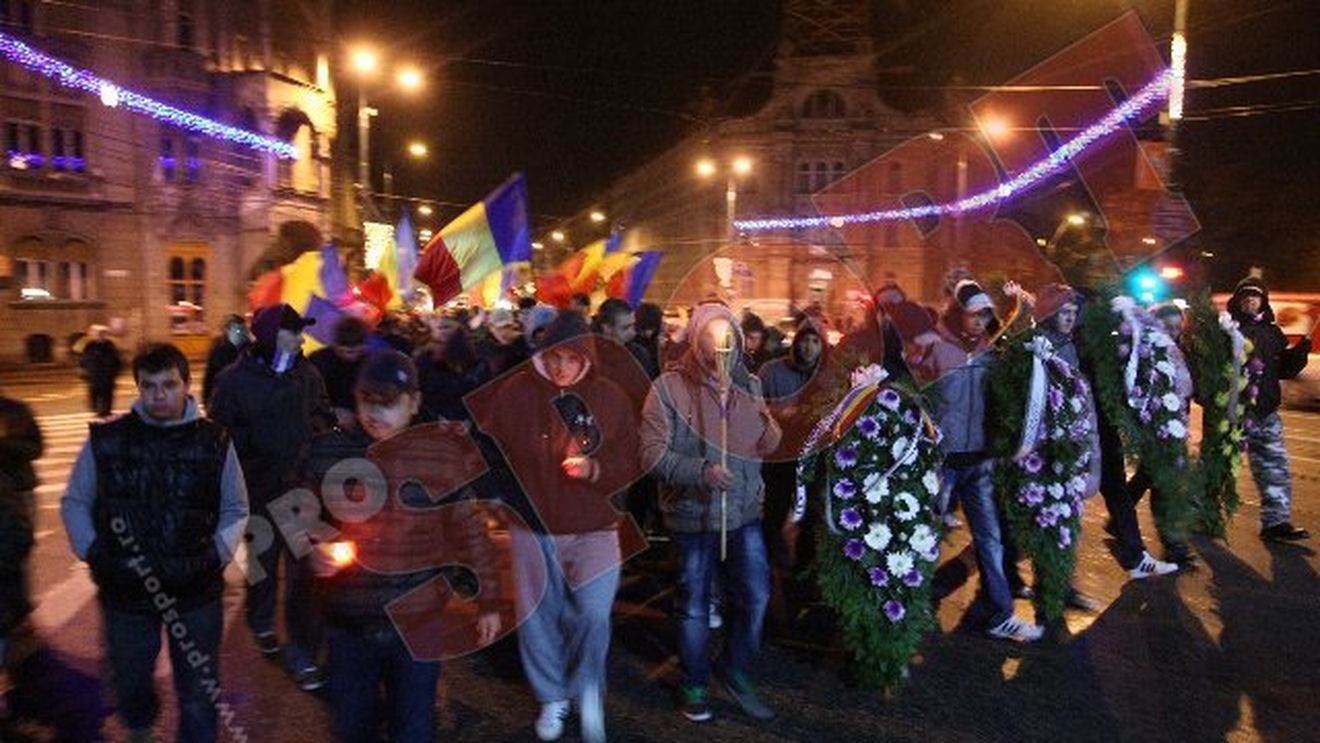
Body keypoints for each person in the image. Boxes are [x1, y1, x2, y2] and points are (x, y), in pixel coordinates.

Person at [306, 351, 502, 743]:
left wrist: (490, 600)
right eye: (366, 400)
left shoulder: (440, 458)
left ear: (413, 403)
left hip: (417, 624)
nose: (375, 413)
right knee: (351, 727)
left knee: (413, 727)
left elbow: (469, 532)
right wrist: (312, 548)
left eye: (389, 402)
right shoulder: (329, 452)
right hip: (349, 622)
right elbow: (296, 512)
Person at [60, 344, 249, 742]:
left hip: (195, 590)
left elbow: (235, 506)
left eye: (169, 385)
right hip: (126, 589)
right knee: (129, 681)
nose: (159, 395)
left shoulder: (214, 441)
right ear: (138, 388)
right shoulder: (108, 440)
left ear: (186, 385)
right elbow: (76, 500)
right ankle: (141, 727)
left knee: (198, 693)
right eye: (149, 386)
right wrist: (93, 552)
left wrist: (215, 555)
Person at [470, 311, 639, 743]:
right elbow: (490, 452)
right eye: (554, 357)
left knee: (593, 615)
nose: (562, 367)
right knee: (538, 617)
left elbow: (628, 458)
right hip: (533, 526)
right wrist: (500, 498)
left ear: (587, 357)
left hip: (594, 525)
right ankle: (552, 695)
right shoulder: (515, 392)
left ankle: (587, 687)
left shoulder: (609, 397)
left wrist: (596, 469)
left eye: (572, 358)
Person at [640, 301, 781, 723]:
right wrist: (700, 472)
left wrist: (762, 419)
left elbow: (768, 443)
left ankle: (735, 667)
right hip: (693, 515)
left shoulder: (749, 384)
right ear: (696, 340)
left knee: (756, 595)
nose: (723, 347)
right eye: (712, 336)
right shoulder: (668, 388)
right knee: (695, 605)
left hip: (742, 512)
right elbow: (651, 455)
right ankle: (695, 680)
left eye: (729, 337)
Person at [209, 303, 333, 690]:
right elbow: (220, 433)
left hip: (301, 493)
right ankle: (261, 622)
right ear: (269, 335)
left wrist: (314, 441)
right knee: (262, 564)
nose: (300, 337)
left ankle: (301, 653)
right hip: (257, 488)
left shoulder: (308, 375)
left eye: (300, 331)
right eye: (292, 331)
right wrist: (253, 450)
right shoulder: (234, 380)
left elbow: (323, 416)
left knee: (302, 575)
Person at [919, 280, 1045, 642]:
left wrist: (1022, 308)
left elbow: (1019, 357)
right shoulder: (936, 348)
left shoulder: (991, 350)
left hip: (981, 462)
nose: (980, 321)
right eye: (974, 314)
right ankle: (914, 603)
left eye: (985, 315)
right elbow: (917, 397)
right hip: (944, 462)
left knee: (991, 540)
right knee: (928, 538)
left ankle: (1000, 613)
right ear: (959, 313)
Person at [757, 314, 833, 626]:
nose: (808, 347)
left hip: (814, 460)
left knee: (813, 515)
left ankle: (804, 572)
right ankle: (766, 567)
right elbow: (755, 408)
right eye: (804, 340)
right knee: (774, 512)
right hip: (779, 458)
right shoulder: (772, 371)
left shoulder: (829, 376)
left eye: (815, 341)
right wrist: (780, 413)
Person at [1228, 276, 1312, 541]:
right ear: (1237, 300)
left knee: (1275, 470)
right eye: (1245, 296)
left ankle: (1276, 523)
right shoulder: (1226, 330)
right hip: (1233, 415)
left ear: (1263, 301)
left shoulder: (1272, 332)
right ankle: (1198, 515)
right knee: (1218, 468)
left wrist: (1299, 353)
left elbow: (1283, 370)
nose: (1250, 300)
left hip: (1266, 414)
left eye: (1255, 296)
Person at [1123, 301, 1197, 566]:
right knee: (1164, 484)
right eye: (1169, 326)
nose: (1174, 331)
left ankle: (1120, 517)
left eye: (1178, 327)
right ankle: (1173, 544)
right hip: (1156, 427)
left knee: (1147, 476)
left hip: (1175, 425)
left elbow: (1184, 388)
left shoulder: (1175, 349)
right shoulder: (1148, 350)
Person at [0, 394, 41, 679]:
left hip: (19, 489)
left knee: (17, 556)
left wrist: (5, 445)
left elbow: (36, 447)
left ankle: (19, 613)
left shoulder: (16, 410)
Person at [308, 316, 371, 430]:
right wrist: (329, 411)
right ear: (335, 344)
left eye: (355, 351)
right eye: (346, 351)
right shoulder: (319, 361)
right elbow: (305, 392)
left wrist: (357, 416)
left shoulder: (371, 365)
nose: (350, 355)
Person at [202, 315, 249, 408]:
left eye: (243, 330)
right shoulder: (219, 349)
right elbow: (210, 376)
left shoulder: (248, 348)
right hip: (224, 398)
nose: (240, 333)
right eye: (237, 330)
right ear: (227, 330)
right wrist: (207, 401)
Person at [81, 325, 123, 417]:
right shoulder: (90, 345)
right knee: (94, 394)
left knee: (107, 394)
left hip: (107, 375)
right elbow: (84, 359)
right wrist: (84, 371)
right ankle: (97, 410)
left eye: (102, 334)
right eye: (98, 334)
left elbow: (117, 360)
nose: (100, 336)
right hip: (94, 375)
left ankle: (106, 411)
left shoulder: (110, 345)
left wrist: (115, 373)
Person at [477, 307, 530, 377]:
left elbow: (527, 364)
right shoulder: (485, 346)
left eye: (507, 326)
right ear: (491, 328)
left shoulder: (519, 340)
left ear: (512, 326)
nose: (503, 332)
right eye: (499, 328)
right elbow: (494, 372)